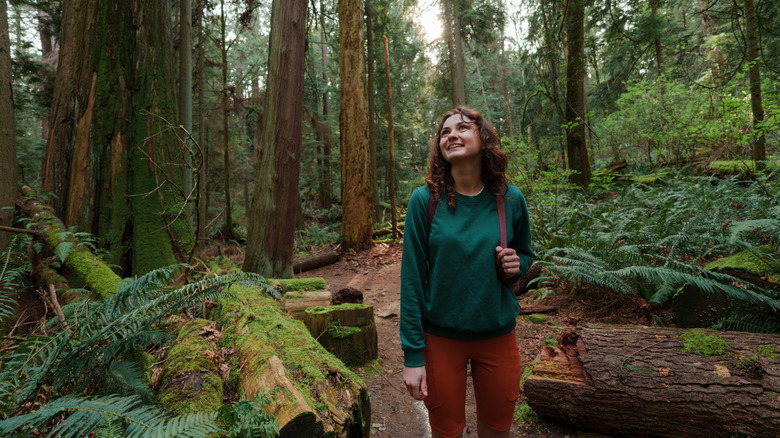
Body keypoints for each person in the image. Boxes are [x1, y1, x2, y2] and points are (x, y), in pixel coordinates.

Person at [400, 107, 534, 438]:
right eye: (445, 132)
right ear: (440, 148)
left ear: (483, 138)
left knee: (497, 429)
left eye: (462, 127)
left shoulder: (509, 198)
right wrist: (413, 355)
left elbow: (526, 256)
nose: (452, 135)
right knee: (447, 431)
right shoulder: (424, 201)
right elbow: (412, 280)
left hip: (498, 336)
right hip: (441, 339)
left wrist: (518, 266)